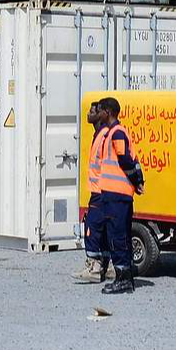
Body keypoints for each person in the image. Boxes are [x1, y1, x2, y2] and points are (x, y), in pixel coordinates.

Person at [75, 96, 144, 295]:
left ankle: (123, 280)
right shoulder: (112, 133)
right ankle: (125, 278)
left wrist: (135, 181)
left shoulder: (117, 133)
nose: (99, 113)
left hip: (118, 194)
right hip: (113, 193)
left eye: (102, 110)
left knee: (118, 237)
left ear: (108, 112)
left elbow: (126, 160)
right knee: (117, 235)